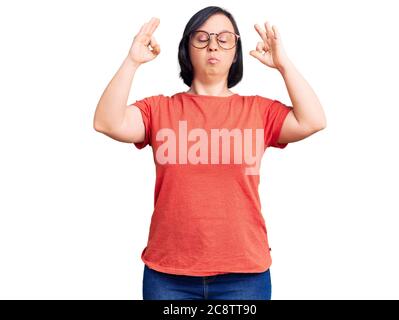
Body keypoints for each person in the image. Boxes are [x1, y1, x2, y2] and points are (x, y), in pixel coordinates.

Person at [93, 6, 327, 300]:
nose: (213, 45)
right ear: (187, 48)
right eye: (201, 38)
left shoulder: (258, 110)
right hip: (168, 276)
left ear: (236, 50)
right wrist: (132, 62)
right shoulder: (159, 109)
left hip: (244, 275)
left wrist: (284, 65)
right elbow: (106, 122)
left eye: (224, 38)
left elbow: (313, 120)